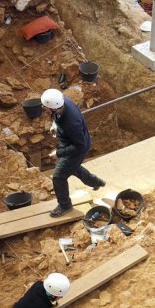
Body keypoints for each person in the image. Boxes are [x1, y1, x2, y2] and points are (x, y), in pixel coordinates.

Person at [42, 89, 106, 217]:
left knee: (58, 177)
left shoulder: (71, 123)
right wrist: (55, 125)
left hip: (77, 149)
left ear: (54, 108)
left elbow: (79, 146)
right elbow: (58, 117)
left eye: (46, 108)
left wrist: (58, 153)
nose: (44, 109)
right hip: (70, 142)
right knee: (72, 167)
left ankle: (65, 206)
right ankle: (95, 182)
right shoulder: (64, 101)